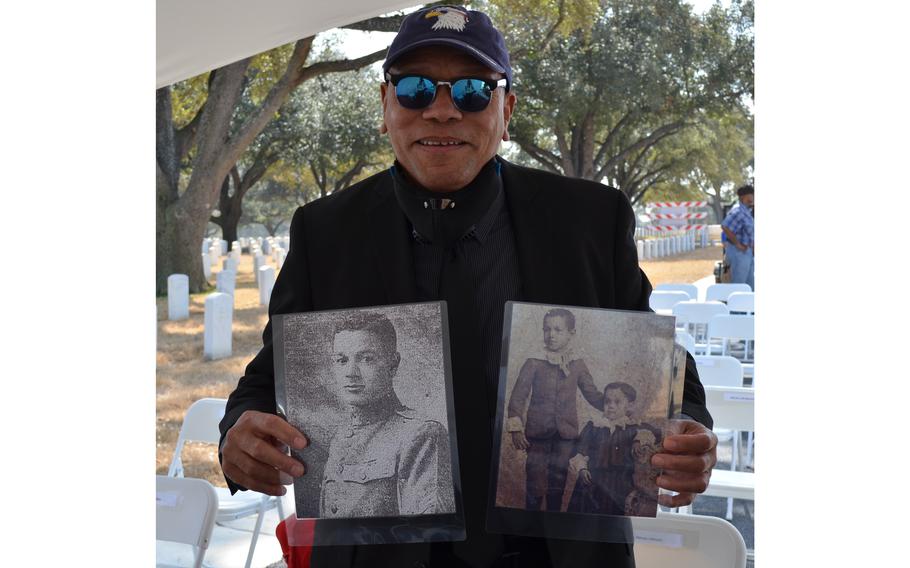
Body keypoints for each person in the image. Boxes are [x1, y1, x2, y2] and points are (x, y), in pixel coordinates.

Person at [219, 5, 717, 567]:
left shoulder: (589, 220)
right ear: (385, 107)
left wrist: (689, 425)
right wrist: (240, 430)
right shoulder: (326, 231)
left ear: (506, 110)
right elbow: (269, 378)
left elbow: (655, 360)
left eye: (473, 91)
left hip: (558, 551)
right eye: (414, 89)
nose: (442, 110)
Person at [319, 311, 455, 518]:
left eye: (366, 359)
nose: (351, 372)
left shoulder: (421, 434)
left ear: (393, 364)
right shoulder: (340, 437)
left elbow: (429, 530)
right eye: (342, 360)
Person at [506, 308, 604, 512]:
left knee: (558, 484)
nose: (551, 335)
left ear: (571, 333)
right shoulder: (533, 362)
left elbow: (592, 394)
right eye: (547, 329)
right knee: (534, 481)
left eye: (558, 330)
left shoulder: (577, 365)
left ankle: (552, 525)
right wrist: (516, 427)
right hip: (538, 434)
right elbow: (518, 396)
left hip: (566, 435)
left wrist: (615, 404)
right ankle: (530, 525)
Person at [566, 382, 660, 517]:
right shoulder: (594, 426)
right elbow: (579, 450)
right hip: (592, 482)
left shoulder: (633, 428)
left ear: (630, 405)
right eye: (607, 401)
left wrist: (639, 439)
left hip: (619, 484)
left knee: (612, 521)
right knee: (584, 518)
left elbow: (656, 434)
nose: (611, 406)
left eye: (617, 402)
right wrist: (582, 468)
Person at [721, 184, 755, 290]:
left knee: (750, 286)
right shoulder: (738, 211)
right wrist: (737, 244)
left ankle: (749, 306)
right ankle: (735, 307)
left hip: (747, 253)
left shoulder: (747, 212)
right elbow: (725, 226)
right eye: (750, 195)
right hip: (738, 253)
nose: (753, 197)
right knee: (738, 286)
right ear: (742, 198)